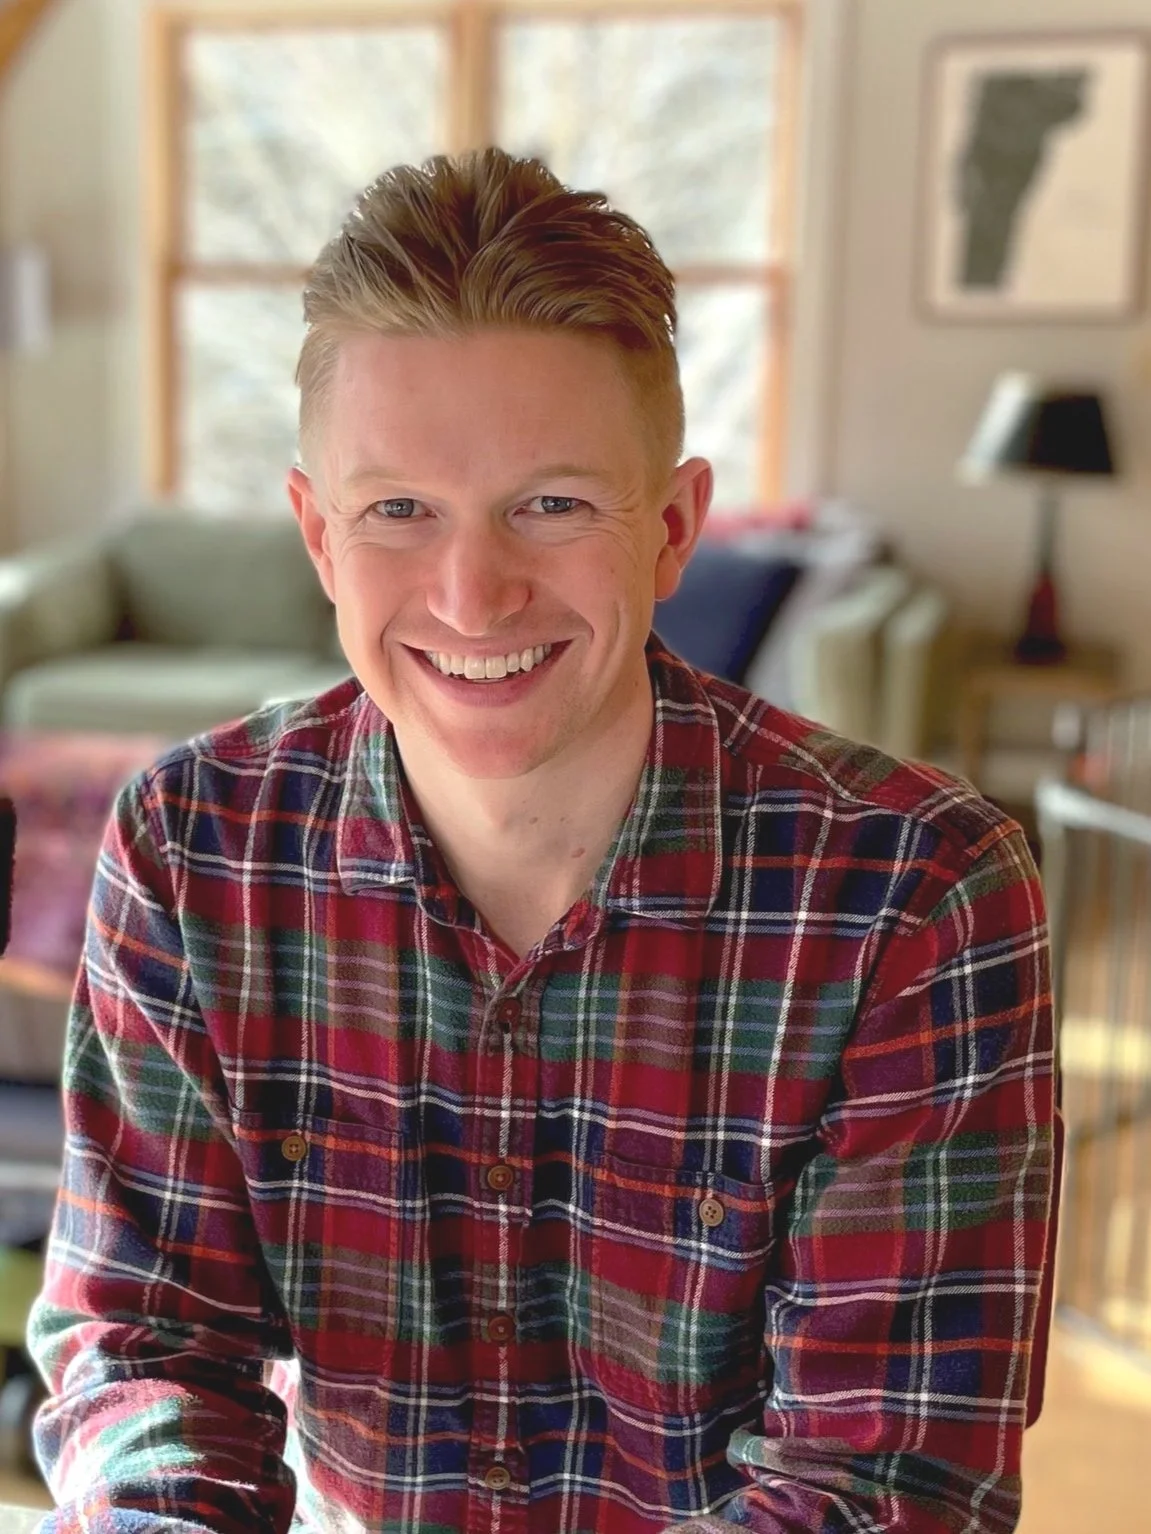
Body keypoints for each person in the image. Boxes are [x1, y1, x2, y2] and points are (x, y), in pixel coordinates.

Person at [29, 149, 1054, 1534]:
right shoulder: (191, 846)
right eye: (398, 509)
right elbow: (144, 1341)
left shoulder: (916, 895)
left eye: (552, 502)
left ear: (673, 525)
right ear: (318, 537)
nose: (472, 590)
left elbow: (880, 1487)